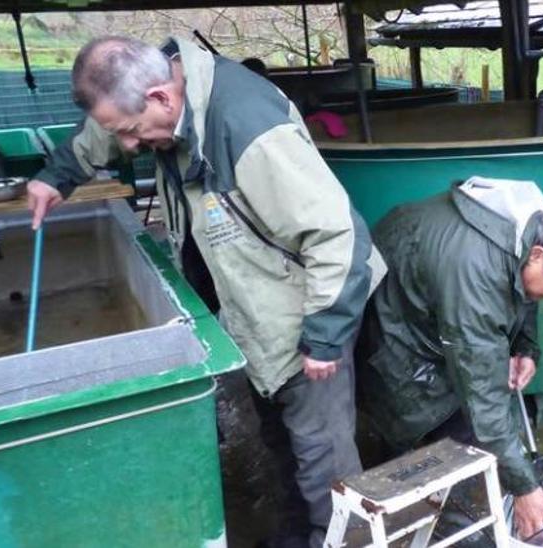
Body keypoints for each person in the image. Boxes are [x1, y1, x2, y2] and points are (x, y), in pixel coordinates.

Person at [24, 36, 385, 548]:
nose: (127, 148)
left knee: (322, 459)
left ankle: (344, 541)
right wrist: (57, 177)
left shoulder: (247, 127)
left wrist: (324, 336)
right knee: (279, 443)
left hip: (308, 308)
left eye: (130, 133)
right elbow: (103, 135)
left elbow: (336, 234)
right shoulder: (161, 102)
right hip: (251, 307)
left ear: (161, 99)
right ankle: (296, 538)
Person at [356, 177, 543, 541]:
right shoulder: (475, 272)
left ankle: (440, 502)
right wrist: (524, 489)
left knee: (472, 426)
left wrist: (524, 346)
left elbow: (524, 290)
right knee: (414, 422)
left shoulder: (532, 228)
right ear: (538, 255)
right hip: (393, 330)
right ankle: (394, 516)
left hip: (430, 306)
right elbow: (484, 397)